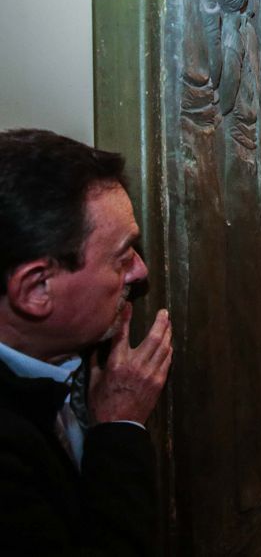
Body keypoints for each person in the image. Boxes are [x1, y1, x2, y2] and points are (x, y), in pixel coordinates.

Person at [0, 128, 172, 553]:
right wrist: (119, 429)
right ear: (37, 289)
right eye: (122, 256)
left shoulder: (83, 355)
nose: (140, 272)